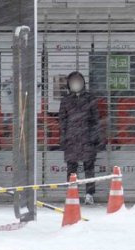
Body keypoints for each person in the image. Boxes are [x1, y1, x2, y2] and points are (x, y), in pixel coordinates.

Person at [58, 71, 102, 205]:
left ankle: (89, 194)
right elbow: (62, 120)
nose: (76, 84)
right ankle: (72, 193)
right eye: (73, 82)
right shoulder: (65, 100)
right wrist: (64, 137)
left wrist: (95, 137)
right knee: (72, 168)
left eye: (78, 81)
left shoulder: (90, 98)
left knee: (89, 167)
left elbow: (95, 120)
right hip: (71, 138)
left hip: (87, 138)